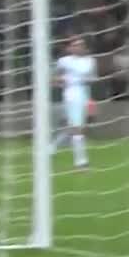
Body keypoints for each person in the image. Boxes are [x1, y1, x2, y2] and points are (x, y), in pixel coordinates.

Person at [52, 37, 97, 169]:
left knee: (74, 127)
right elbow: (54, 79)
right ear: (70, 48)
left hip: (85, 94)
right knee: (77, 128)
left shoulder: (90, 61)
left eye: (81, 45)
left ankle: (51, 147)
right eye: (75, 45)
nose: (79, 47)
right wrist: (61, 82)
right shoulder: (64, 61)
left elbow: (93, 78)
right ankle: (81, 162)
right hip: (71, 94)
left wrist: (87, 80)